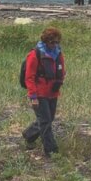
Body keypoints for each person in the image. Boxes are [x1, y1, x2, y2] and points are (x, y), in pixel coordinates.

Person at [23, 27, 66, 159]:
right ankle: (51, 151)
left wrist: (61, 78)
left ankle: (29, 135)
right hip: (39, 93)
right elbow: (29, 77)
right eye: (52, 42)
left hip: (53, 92)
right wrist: (33, 96)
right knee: (46, 121)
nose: (55, 45)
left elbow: (62, 70)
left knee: (48, 119)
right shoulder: (35, 55)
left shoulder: (58, 53)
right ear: (46, 41)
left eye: (57, 42)